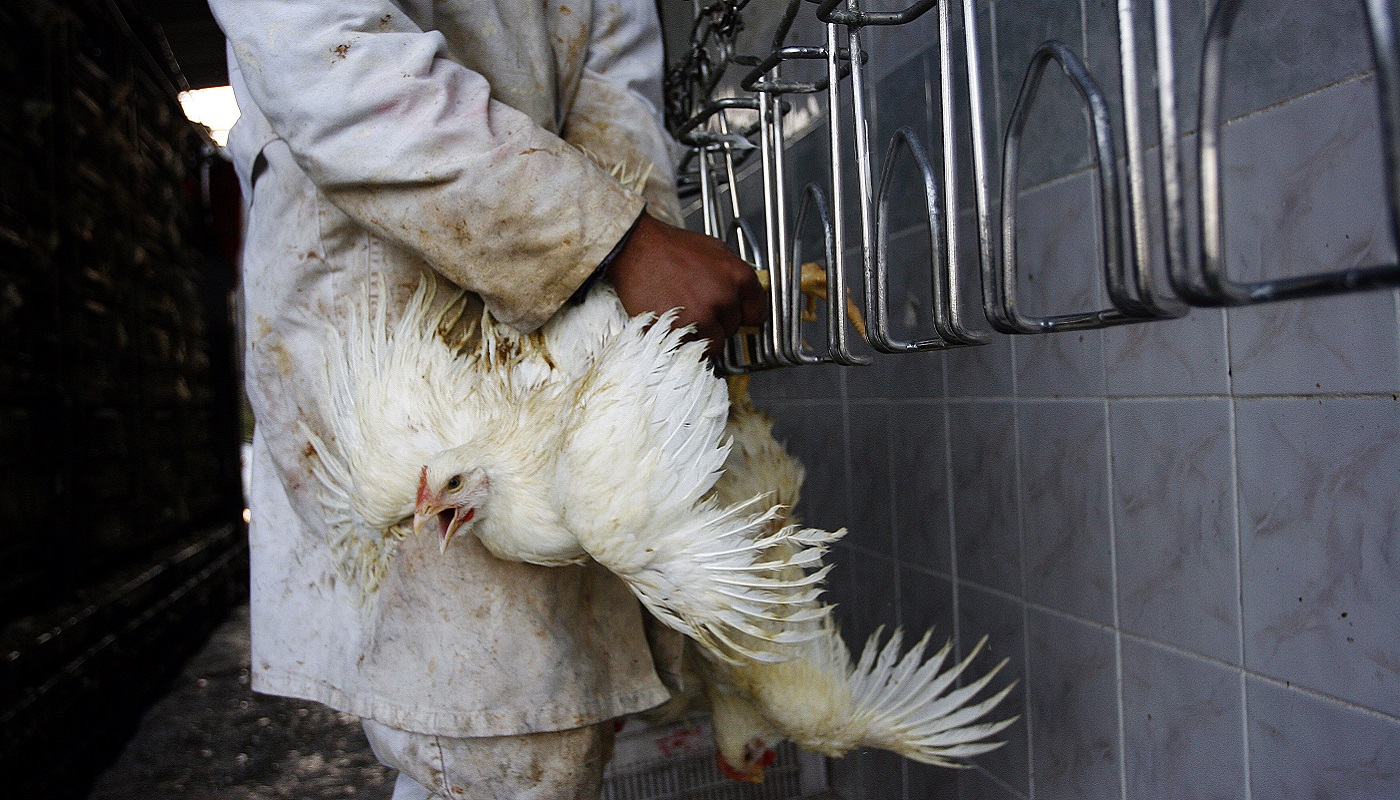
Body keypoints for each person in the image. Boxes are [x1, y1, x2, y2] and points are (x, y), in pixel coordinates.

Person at [206, 2, 765, 798]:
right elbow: (322, 52)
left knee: (545, 733)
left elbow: (613, 78)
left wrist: (632, 292)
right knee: (496, 735)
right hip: (395, 309)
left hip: (571, 296)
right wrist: (611, 238)